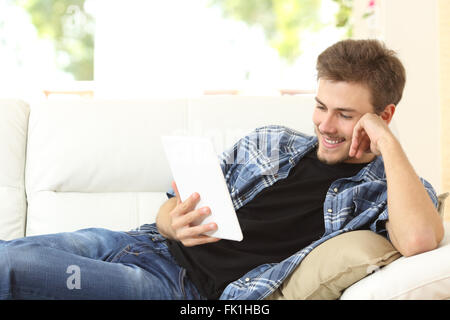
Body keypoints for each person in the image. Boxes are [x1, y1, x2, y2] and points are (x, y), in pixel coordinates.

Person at [0, 39, 444, 300]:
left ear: (383, 115)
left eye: (345, 115)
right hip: (134, 242)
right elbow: (168, 210)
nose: (325, 126)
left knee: (12, 268)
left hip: (178, 288)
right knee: (7, 252)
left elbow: (420, 240)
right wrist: (172, 222)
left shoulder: (385, 190)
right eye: (320, 106)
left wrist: (387, 143)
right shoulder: (271, 141)